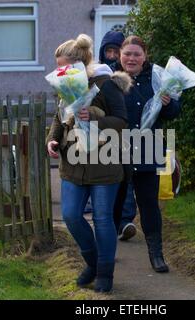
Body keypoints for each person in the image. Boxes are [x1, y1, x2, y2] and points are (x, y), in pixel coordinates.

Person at [46, 34, 132, 292]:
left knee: (103, 219)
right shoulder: (65, 85)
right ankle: (93, 263)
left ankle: (106, 273)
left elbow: (121, 121)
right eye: (59, 67)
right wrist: (52, 139)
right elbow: (58, 118)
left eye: (66, 67)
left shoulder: (106, 85)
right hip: (72, 164)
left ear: (81, 63)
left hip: (104, 163)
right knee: (71, 216)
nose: (62, 71)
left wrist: (93, 119)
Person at [113, 35, 181, 273]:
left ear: (145, 56)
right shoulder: (109, 77)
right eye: (127, 53)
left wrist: (167, 103)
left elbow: (173, 113)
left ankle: (156, 255)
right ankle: (107, 255)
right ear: (120, 54)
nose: (131, 58)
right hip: (114, 150)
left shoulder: (157, 78)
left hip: (147, 147)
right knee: (113, 205)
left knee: (149, 204)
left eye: (136, 54)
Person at [84, 31, 138, 242]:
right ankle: (112, 224)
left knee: (127, 180)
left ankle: (125, 221)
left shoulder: (124, 76)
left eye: (117, 51)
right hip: (105, 139)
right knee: (113, 181)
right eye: (109, 50)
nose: (113, 55)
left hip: (129, 134)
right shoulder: (100, 76)